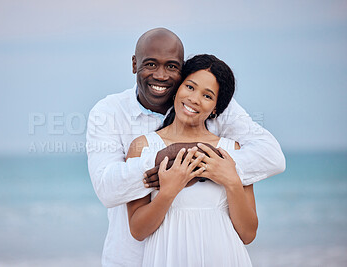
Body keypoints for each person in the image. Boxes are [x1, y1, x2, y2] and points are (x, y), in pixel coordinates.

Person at [86, 28, 285, 266]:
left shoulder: (225, 132)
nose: (161, 75)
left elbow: (272, 157)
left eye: (171, 66)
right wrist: (162, 163)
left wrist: (219, 169)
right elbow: (107, 189)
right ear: (134, 64)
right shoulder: (111, 114)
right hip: (136, 257)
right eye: (151, 64)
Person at [127, 54, 256, 266]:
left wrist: (231, 182)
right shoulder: (143, 147)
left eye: (207, 96)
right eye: (190, 87)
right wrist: (168, 191)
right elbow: (138, 230)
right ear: (177, 88)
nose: (195, 99)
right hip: (168, 257)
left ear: (216, 107)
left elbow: (248, 234)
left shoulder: (231, 150)